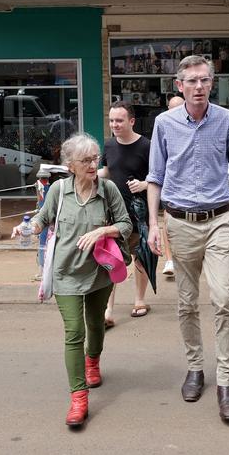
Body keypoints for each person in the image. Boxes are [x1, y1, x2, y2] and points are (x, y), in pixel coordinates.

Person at [146, 55, 229, 422]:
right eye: (191, 81)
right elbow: (155, 177)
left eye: (205, 81)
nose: (198, 87)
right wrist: (153, 224)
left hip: (220, 219)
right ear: (179, 85)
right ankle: (195, 367)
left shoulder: (226, 120)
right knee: (187, 303)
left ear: (212, 84)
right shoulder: (164, 124)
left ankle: (225, 381)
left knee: (224, 299)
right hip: (178, 222)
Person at [13, 133, 132, 427]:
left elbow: (126, 225)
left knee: (95, 325)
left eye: (95, 158)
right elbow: (43, 218)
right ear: (71, 165)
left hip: (99, 273)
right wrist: (27, 228)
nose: (93, 165)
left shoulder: (108, 190)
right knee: (74, 332)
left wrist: (102, 232)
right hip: (65, 272)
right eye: (86, 160)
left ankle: (93, 360)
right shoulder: (58, 190)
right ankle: (79, 398)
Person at [98, 101, 152, 327]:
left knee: (142, 257)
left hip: (140, 211)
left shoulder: (147, 145)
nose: (114, 125)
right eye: (111, 120)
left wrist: (144, 184)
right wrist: (88, 174)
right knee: (111, 258)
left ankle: (139, 300)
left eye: (119, 120)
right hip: (113, 212)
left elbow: (161, 175)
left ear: (131, 121)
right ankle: (108, 309)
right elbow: (107, 170)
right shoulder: (109, 145)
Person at [161, 95, 185, 277]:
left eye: (178, 108)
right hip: (170, 188)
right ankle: (169, 260)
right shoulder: (162, 128)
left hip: (190, 189)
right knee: (168, 223)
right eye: (171, 108)